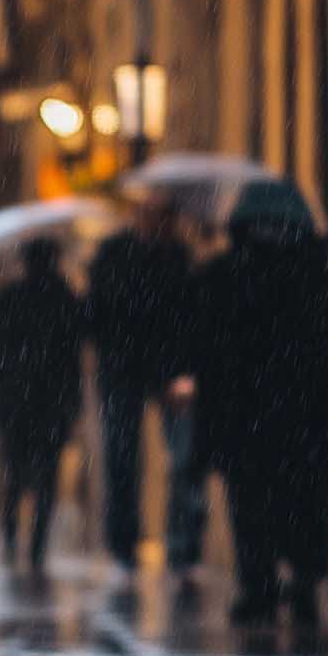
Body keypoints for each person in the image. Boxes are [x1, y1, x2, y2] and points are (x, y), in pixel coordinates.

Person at [182, 180, 328, 628]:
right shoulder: (320, 269)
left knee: (250, 504)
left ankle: (259, 585)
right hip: (306, 414)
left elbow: (200, 349)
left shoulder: (222, 274)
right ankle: (301, 577)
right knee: (304, 499)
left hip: (244, 416)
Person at [86, 197, 197, 573]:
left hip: (168, 371)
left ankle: (181, 546)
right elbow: (96, 315)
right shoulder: (114, 254)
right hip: (122, 372)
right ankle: (124, 542)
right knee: (122, 459)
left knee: (181, 461)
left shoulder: (178, 256)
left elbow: (187, 314)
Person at [0, 238, 87, 574]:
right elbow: (76, 346)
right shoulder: (64, 298)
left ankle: (11, 535)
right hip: (51, 401)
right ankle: (36, 543)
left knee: (15, 471)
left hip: (15, 399)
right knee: (46, 474)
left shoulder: (8, 297)